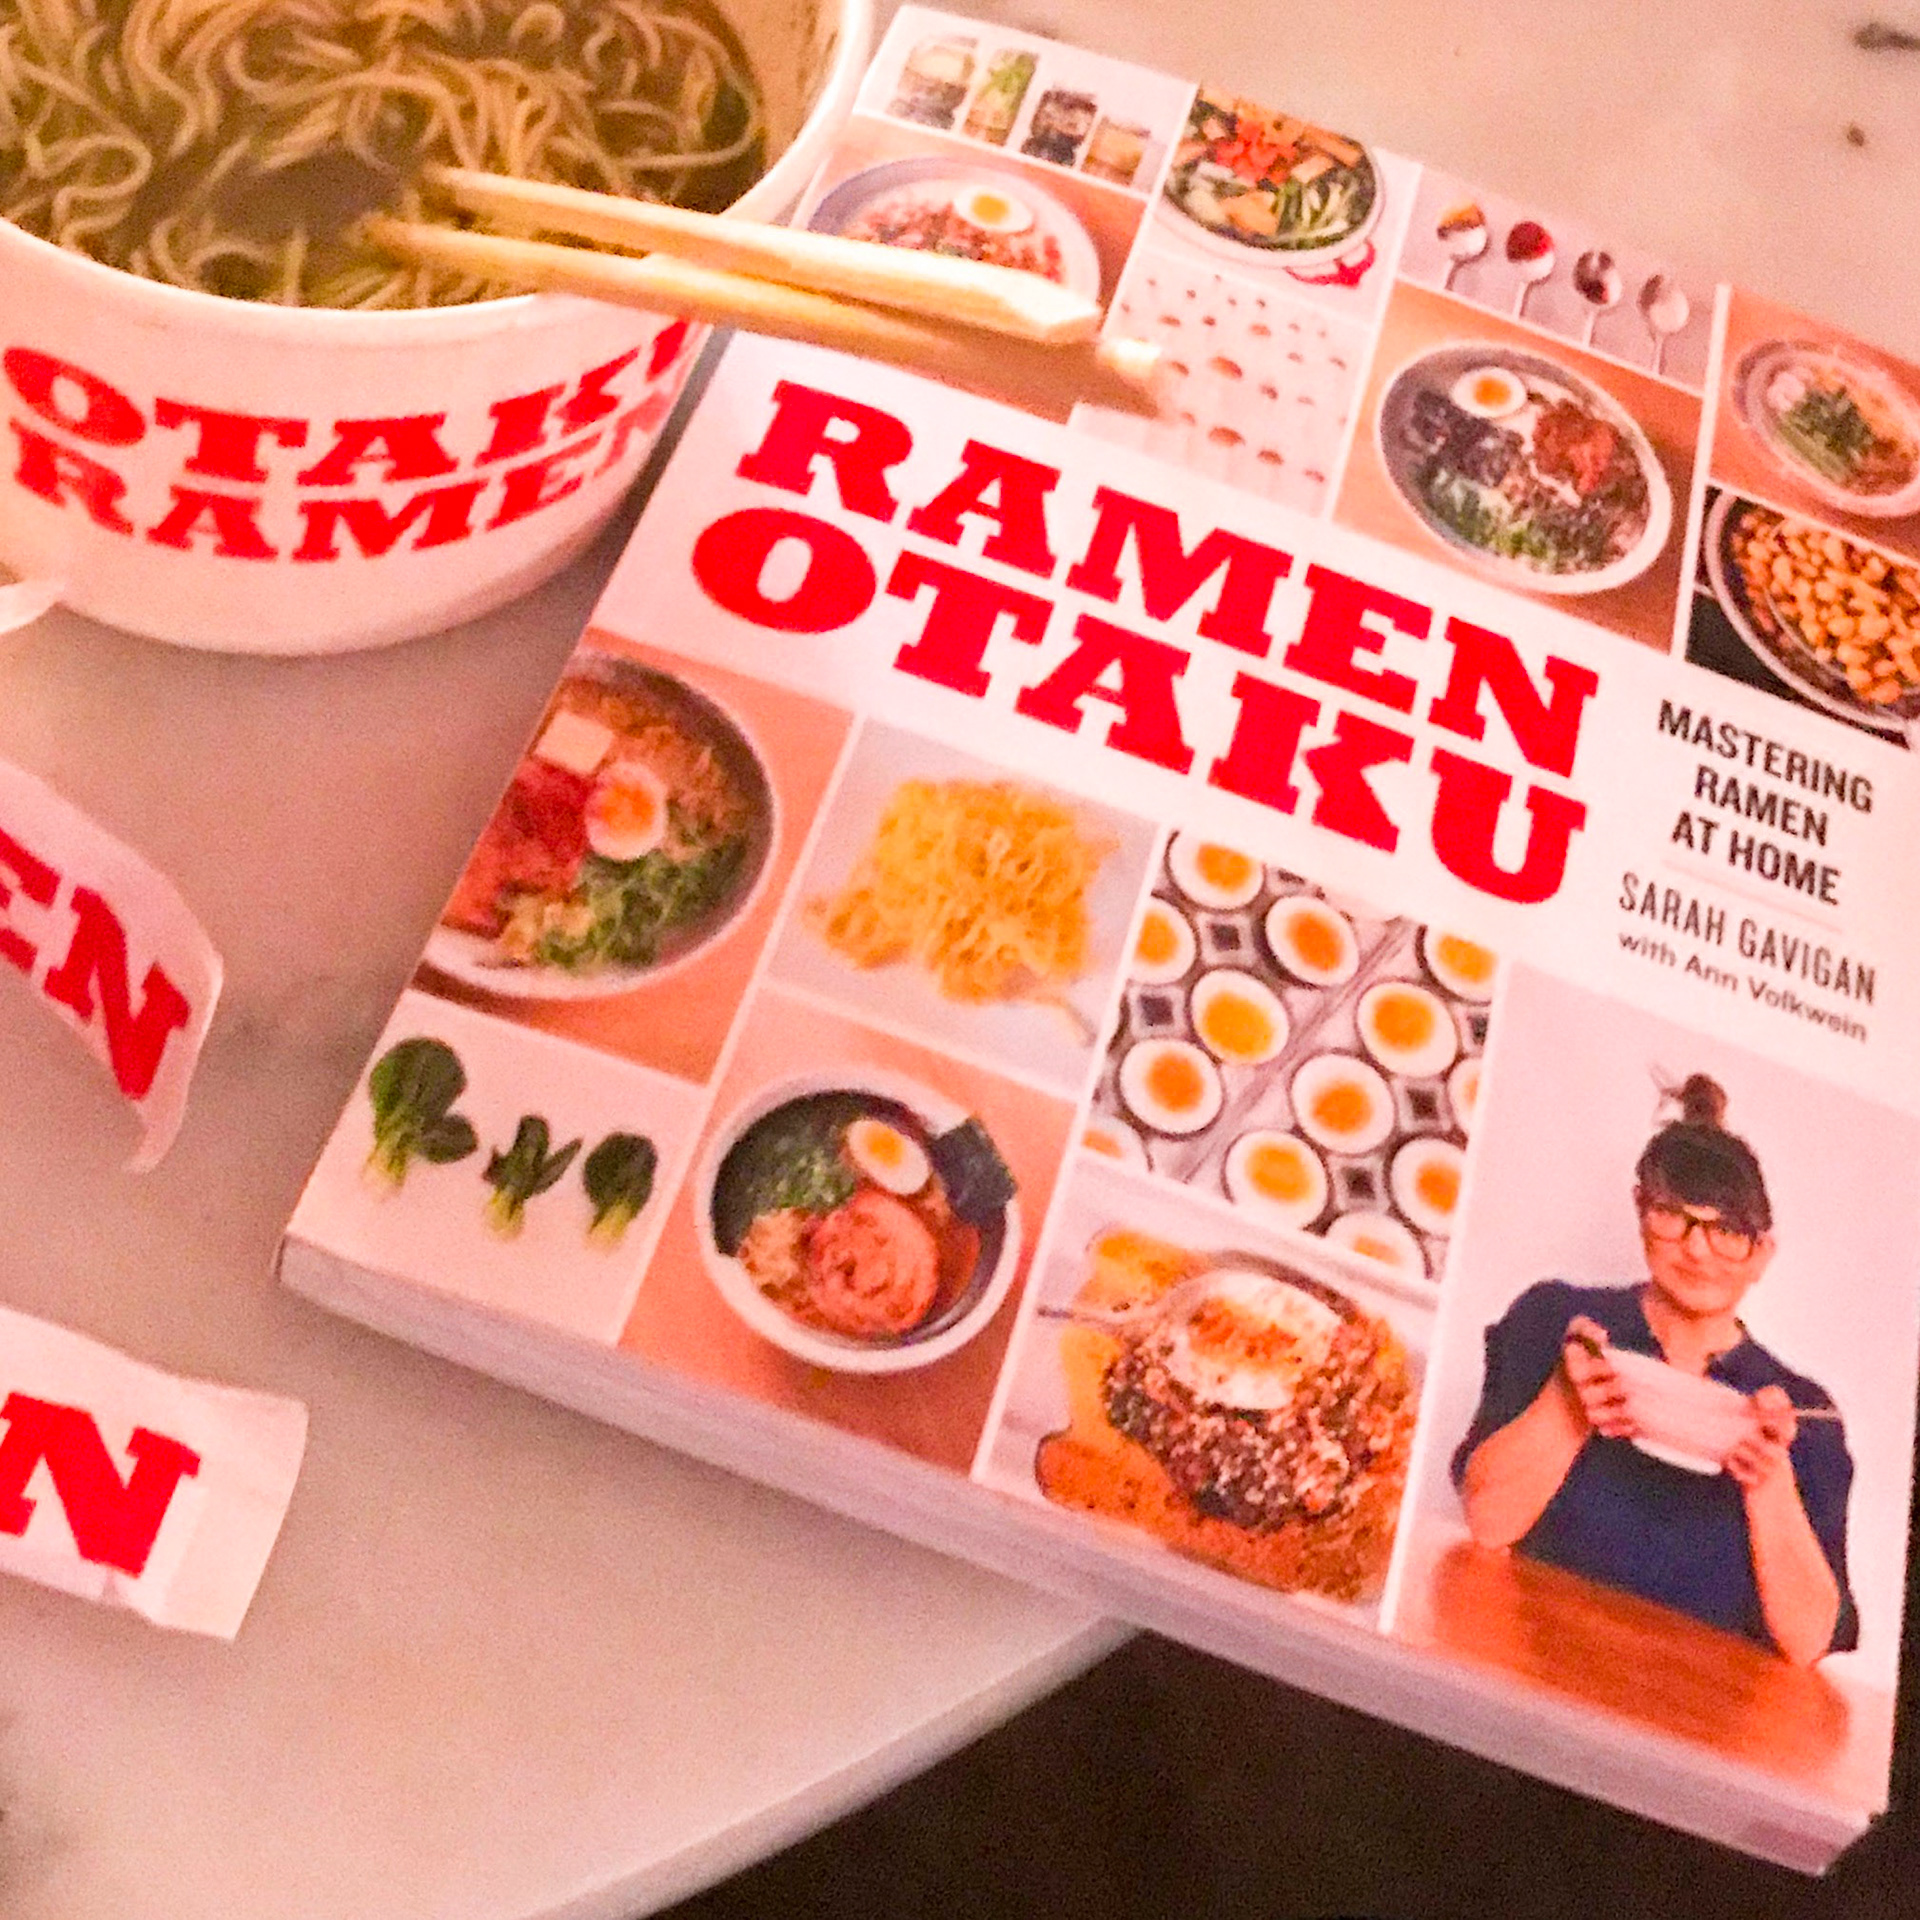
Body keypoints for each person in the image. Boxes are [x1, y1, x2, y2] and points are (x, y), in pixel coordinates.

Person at [1452, 1073, 1857, 1665]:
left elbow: (1807, 1642)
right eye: (1673, 1215)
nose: (1696, 1248)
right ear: (1641, 1209)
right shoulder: (1557, 1321)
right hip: (1530, 1662)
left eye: (1727, 1231)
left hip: (1705, 1700)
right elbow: (1487, 1523)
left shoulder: (1802, 1411)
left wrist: (1770, 1482)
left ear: (1761, 1255)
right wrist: (1567, 1405)